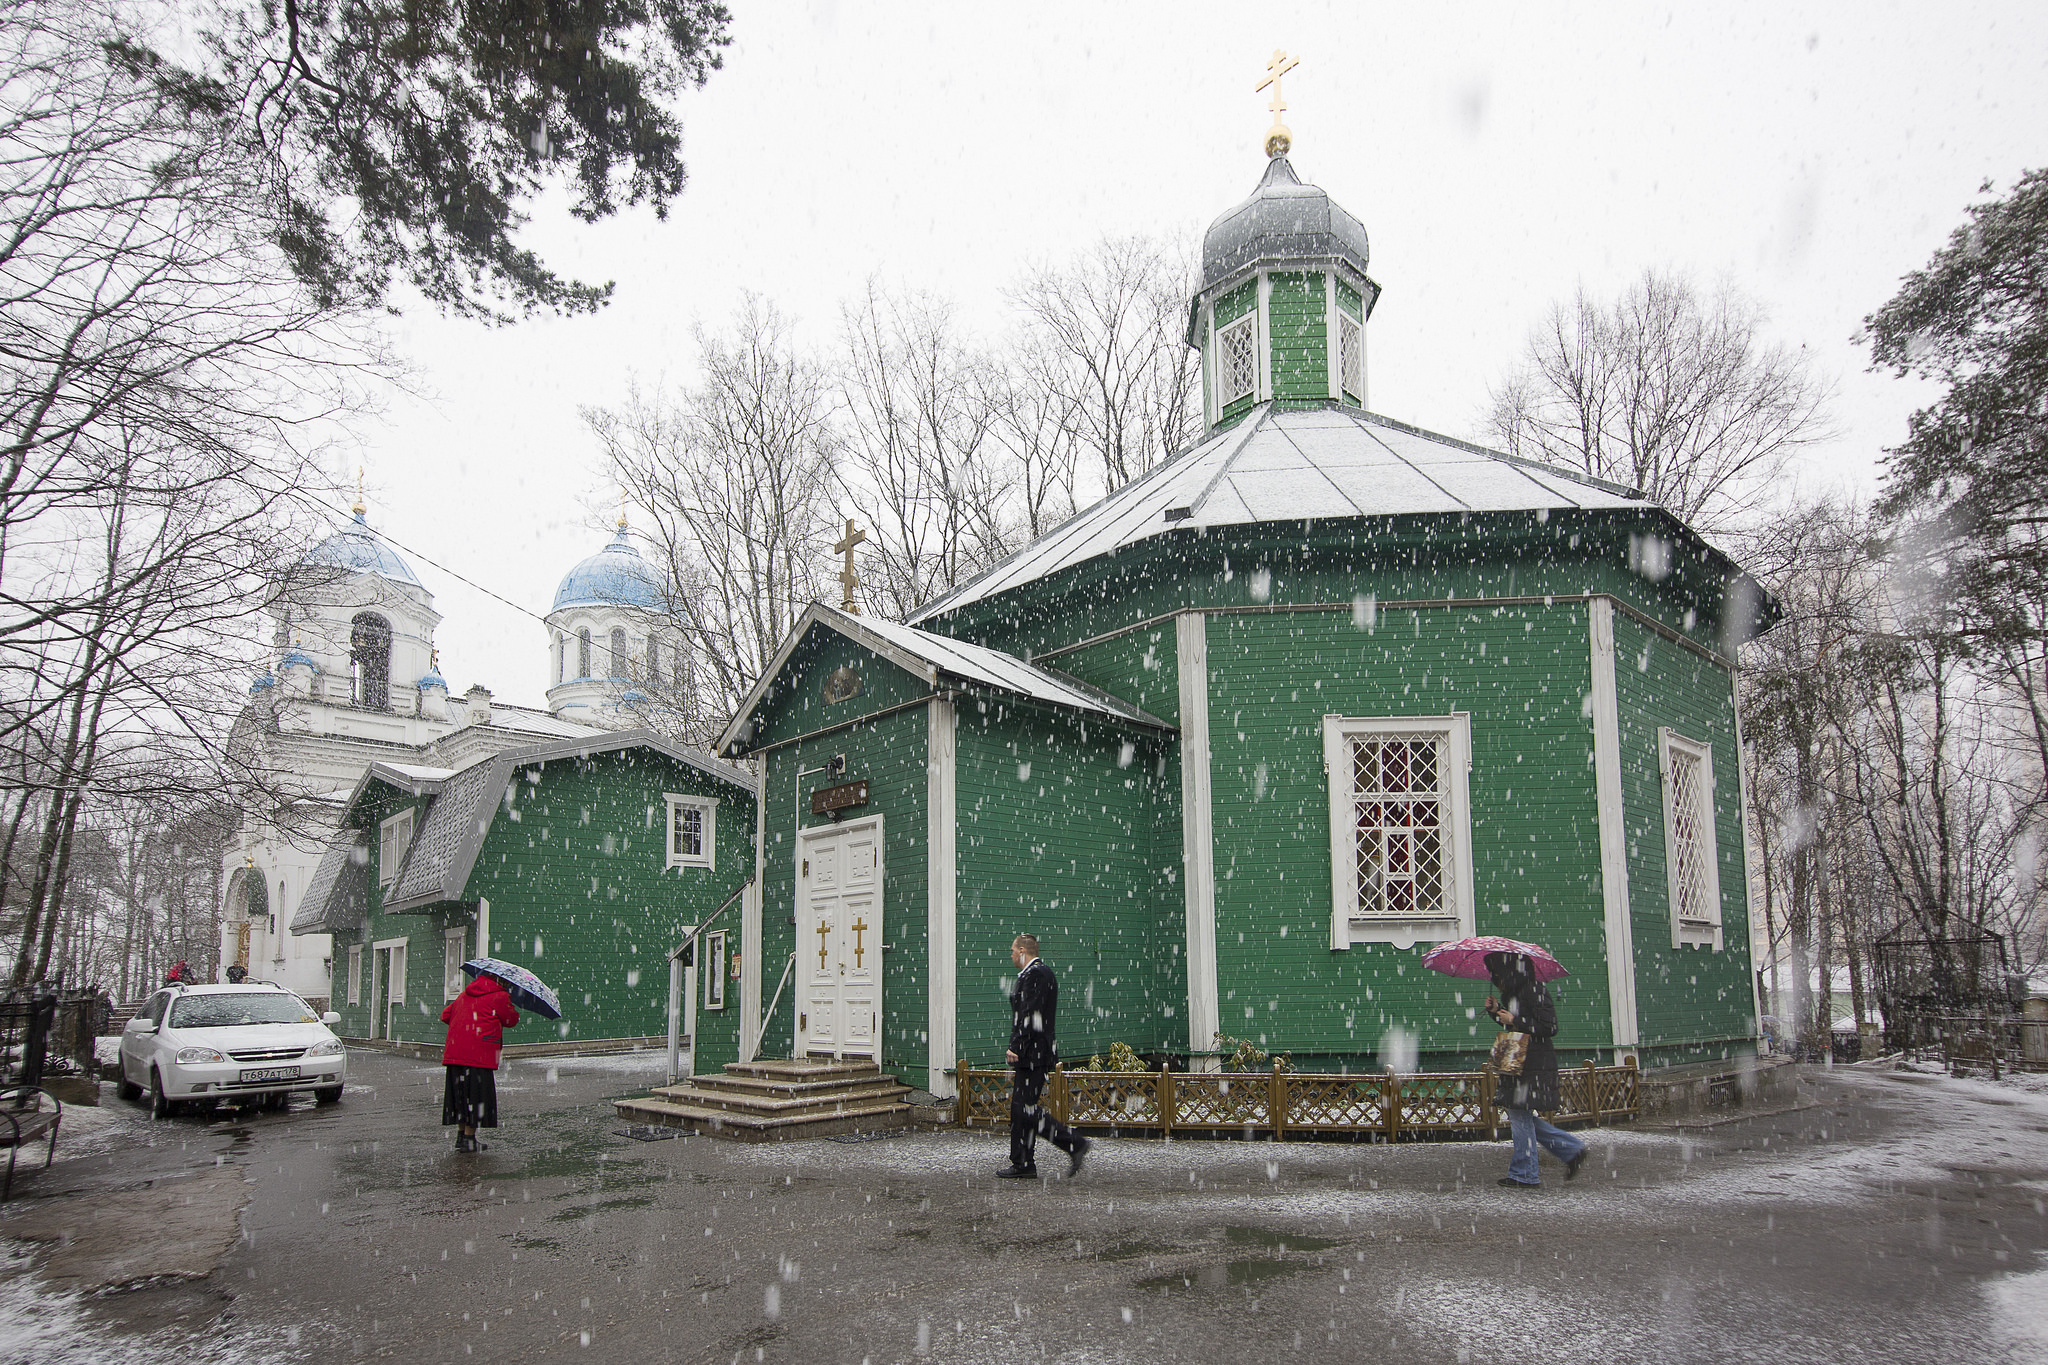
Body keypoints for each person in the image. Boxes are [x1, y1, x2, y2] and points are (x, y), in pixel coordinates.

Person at [1485, 950, 1587, 1188]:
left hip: (1533, 1062)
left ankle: (1525, 1174)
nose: (1495, 979)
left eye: (1497, 974)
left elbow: (1548, 1026)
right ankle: (1571, 1149)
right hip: (1519, 1060)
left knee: (1519, 1114)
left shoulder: (1534, 990)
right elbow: (1516, 1022)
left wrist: (1514, 1021)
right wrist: (1496, 1012)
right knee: (1519, 1114)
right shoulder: (1517, 992)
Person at [998, 934, 1090, 1180]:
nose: (1011, 955)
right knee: (1021, 1110)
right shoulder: (1033, 974)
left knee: (1024, 1109)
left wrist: (1016, 1046)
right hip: (1032, 1052)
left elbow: (1030, 1014)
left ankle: (1073, 1143)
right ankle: (1023, 1163)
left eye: (1012, 950)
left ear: (1022, 951)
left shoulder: (1037, 974)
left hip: (1033, 1054)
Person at [440, 970, 519, 1153]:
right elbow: (510, 1020)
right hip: (479, 1056)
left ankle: (461, 1137)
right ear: (502, 982)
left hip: (455, 1053)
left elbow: (445, 1015)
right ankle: (469, 1139)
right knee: (475, 1097)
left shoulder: (464, 995)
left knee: (459, 1095)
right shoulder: (499, 996)